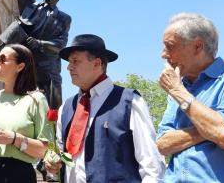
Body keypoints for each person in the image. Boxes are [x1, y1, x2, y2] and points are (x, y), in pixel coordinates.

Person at [45, 34, 165, 183]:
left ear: (96, 63)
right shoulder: (66, 108)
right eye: (69, 62)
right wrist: (55, 163)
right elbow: (65, 156)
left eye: (75, 61)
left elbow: (151, 163)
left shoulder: (129, 101)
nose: (69, 67)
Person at [157, 13, 224, 182]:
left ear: (198, 46)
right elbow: (162, 144)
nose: (163, 54)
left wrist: (178, 92)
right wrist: (209, 129)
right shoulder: (179, 85)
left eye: (170, 46)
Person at [0, 0, 71, 109]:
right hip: (24, 64)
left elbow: (61, 44)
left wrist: (40, 44)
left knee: (52, 106)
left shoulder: (64, 18)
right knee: (20, 103)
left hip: (48, 68)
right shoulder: (29, 5)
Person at [0, 44, 51, 183]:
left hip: (17, 175)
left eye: (2, 59)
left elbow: (44, 150)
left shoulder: (36, 99)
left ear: (20, 66)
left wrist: (14, 139)